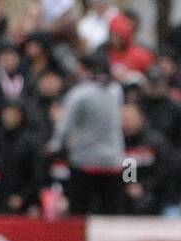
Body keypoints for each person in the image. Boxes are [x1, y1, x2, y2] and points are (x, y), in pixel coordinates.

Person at [48, 53, 125, 215]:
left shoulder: (79, 93)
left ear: (84, 69)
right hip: (114, 161)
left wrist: (54, 145)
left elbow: (64, 126)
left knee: (79, 213)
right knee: (110, 213)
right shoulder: (116, 90)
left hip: (85, 162)